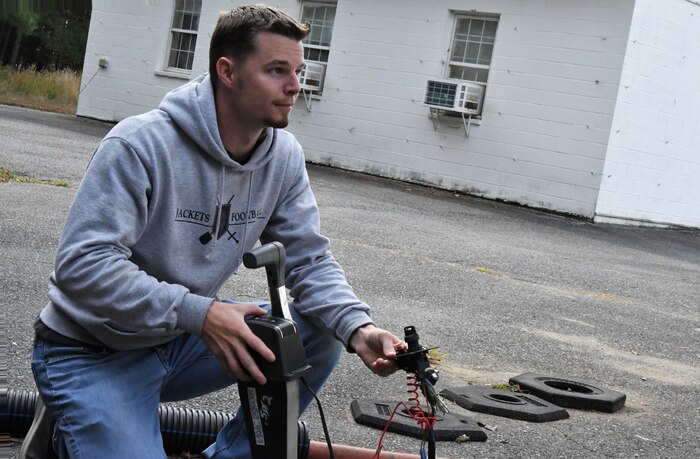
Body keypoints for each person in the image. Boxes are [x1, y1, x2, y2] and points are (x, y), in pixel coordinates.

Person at [29, 4, 406, 458]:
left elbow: (308, 260)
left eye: (298, 70)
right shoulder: (140, 144)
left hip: (178, 340)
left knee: (320, 329)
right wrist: (202, 314)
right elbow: (83, 267)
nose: (295, 86)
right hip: (92, 350)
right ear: (227, 71)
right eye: (276, 70)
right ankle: (71, 427)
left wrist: (360, 329)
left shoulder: (282, 157)